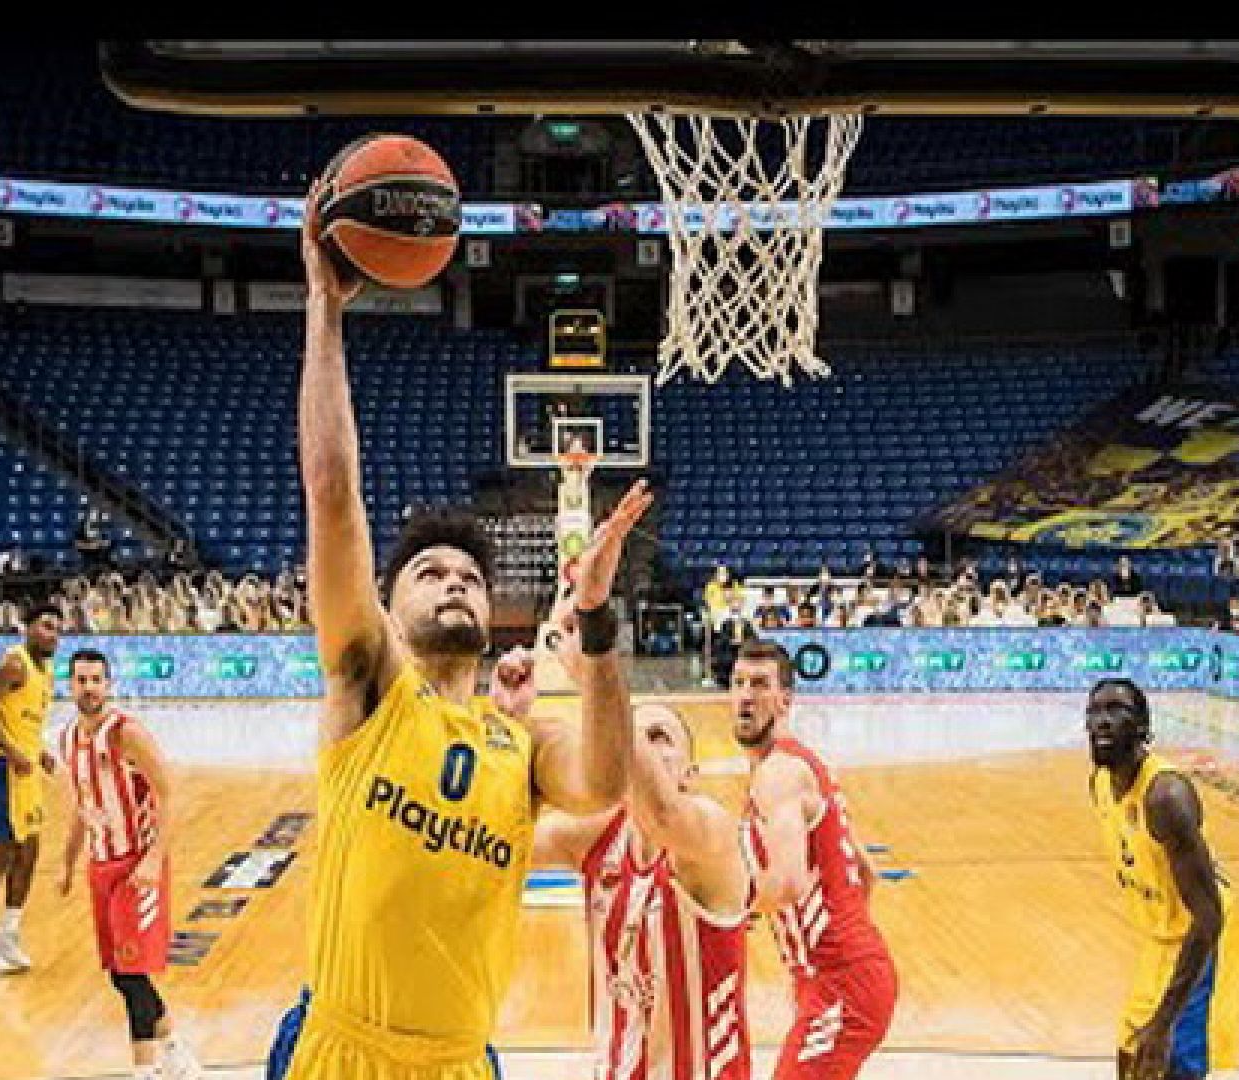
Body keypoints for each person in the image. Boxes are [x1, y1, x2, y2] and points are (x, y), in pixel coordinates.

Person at [264, 198, 643, 1080]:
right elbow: (332, 493)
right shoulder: (371, 688)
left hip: (461, 1063)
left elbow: (605, 783)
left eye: (469, 576)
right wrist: (324, 310)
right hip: (342, 1054)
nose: (455, 583)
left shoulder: (522, 744)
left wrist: (595, 621)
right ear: (386, 606)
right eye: (429, 573)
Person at [534, 692, 753, 1080]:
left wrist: (603, 690)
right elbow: (504, 840)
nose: (645, 752)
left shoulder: (711, 833)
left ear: (689, 773)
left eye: (659, 738)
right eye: (637, 737)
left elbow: (662, 813)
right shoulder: (596, 839)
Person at [732, 640, 896, 1078]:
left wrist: (728, 908)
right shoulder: (803, 766)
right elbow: (866, 872)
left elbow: (786, 884)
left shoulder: (778, 773)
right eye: (738, 683)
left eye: (760, 684)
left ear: (785, 700)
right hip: (837, 976)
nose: (746, 695)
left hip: (841, 980)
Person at [55, 650, 202, 1080]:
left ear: (109, 684)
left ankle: (145, 1070)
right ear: (70, 685)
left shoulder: (126, 733)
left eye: (96, 680)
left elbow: (169, 793)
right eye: (81, 680)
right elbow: (81, 807)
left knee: (133, 971)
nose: (89, 688)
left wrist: (154, 858)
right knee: (119, 975)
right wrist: (67, 863)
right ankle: (173, 1048)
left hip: (136, 865)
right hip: (100, 864)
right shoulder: (67, 738)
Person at [1085, 679, 1239, 1080]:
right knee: (1131, 1056)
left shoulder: (1166, 798)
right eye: (1095, 711)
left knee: (1171, 1061)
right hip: (1159, 938)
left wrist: (1166, 1019)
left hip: (1201, 940)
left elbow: (1209, 917)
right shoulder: (1100, 784)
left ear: (1143, 728)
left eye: (1117, 710)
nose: (1103, 721)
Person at [0, 604, 61, 975]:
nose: (52, 635)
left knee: (29, 851)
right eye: (46, 626)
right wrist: (12, 751)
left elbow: (23, 720)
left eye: (57, 629)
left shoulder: (45, 671)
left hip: (25, 767)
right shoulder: (13, 664)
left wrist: (39, 751)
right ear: (28, 628)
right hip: (1, 767)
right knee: (2, 850)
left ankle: (9, 932)